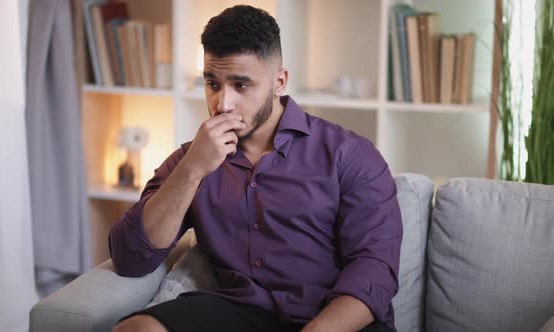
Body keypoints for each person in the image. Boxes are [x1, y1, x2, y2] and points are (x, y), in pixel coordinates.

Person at [111, 5, 402, 332]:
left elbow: (374, 270)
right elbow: (131, 258)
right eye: (213, 83)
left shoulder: (350, 155)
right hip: (237, 310)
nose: (223, 104)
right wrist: (191, 170)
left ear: (279, 81)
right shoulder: (192, 159)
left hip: (331, 317)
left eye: (241, 85)